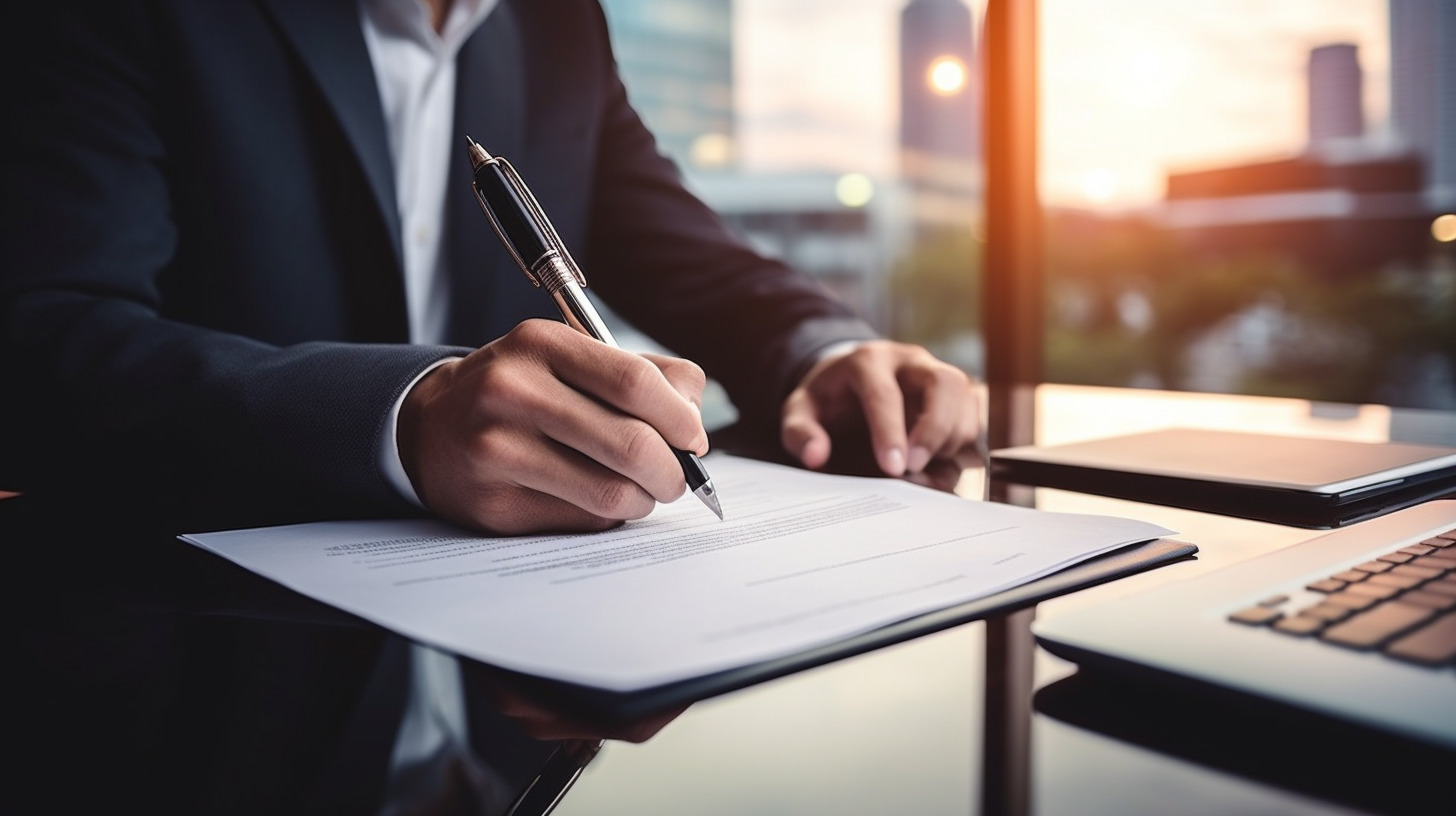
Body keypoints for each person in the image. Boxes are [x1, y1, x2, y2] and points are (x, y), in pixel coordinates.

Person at [0, 0, 980, 813]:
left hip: (498, 704)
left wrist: (829, 346)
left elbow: (687, 252)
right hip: (180, 696)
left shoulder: (557, 24)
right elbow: (40, 334)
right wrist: (400, 415)